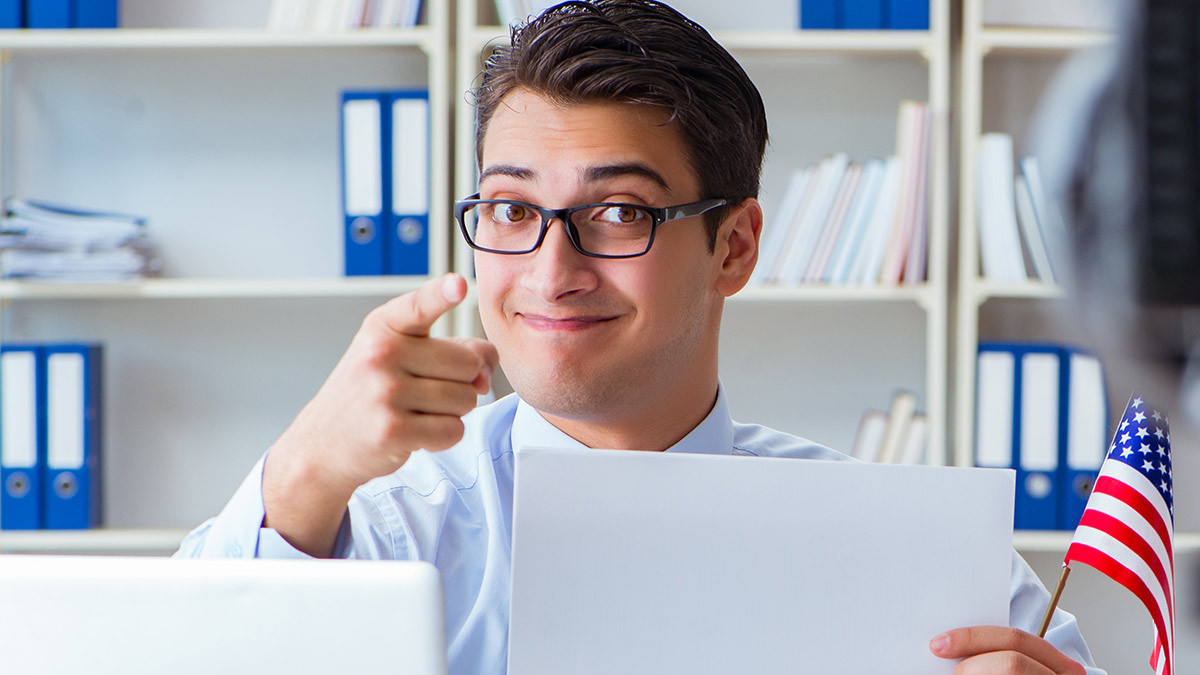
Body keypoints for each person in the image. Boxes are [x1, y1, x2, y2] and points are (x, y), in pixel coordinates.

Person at [178, 2, 1100, 673]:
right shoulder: (369, 531)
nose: (550, 270)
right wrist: (303, 470)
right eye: (510, 209)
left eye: (619, 211)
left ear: (732, 247)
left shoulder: (916, 563)